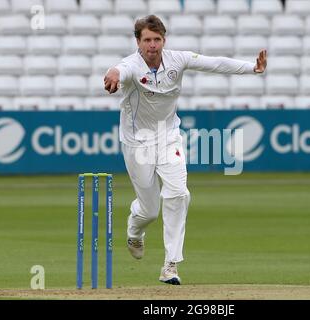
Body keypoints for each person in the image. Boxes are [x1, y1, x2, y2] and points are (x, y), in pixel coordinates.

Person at [104, 15, 267, 285]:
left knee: (179, 193)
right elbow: (119, 70)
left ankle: (171, 264)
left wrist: (252, 68)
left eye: (157, 39)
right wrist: (113, 73)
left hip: (168, 137)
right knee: (149, 210)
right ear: (138, 42)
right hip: (137, 142)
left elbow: (213, 63)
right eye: (147, 40)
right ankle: (135, 231)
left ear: (163, 40)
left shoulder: (177, 59)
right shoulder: (132, 65)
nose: (152, 45)